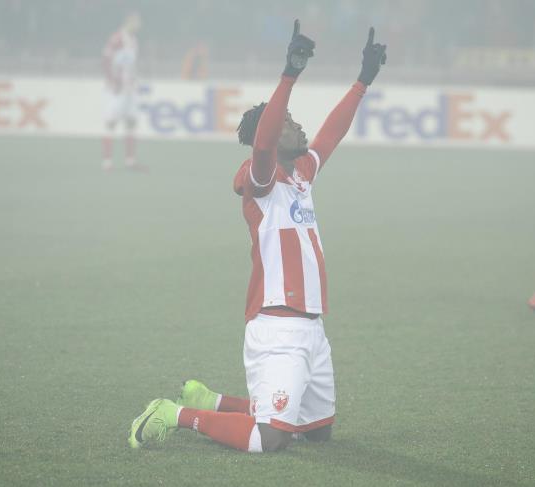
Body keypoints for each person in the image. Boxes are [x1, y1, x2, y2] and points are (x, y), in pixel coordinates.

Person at [129, 21, 387, 452]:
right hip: (278, 326)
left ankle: (212, 401)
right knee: (269, 439)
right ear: (267, 136)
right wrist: (290, 74)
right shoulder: (261, 179)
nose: (298, 127)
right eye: (288, 123)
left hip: (312, 328)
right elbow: (264, 144)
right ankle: (174, 414)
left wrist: (363, 81)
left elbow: (331, 133)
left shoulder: (301, 173)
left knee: (316, 432)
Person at [101, 12, 146, 172]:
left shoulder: (134, 40)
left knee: (131, 122)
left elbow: (131, 63)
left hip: (130, 88)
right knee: (111, 122)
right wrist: (112, 80)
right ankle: (107, 163)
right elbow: (106, 58)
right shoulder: (117, 38)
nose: (139, 24)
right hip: (117, 88)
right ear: (129, 21)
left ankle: (130, 161)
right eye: (137, 21)